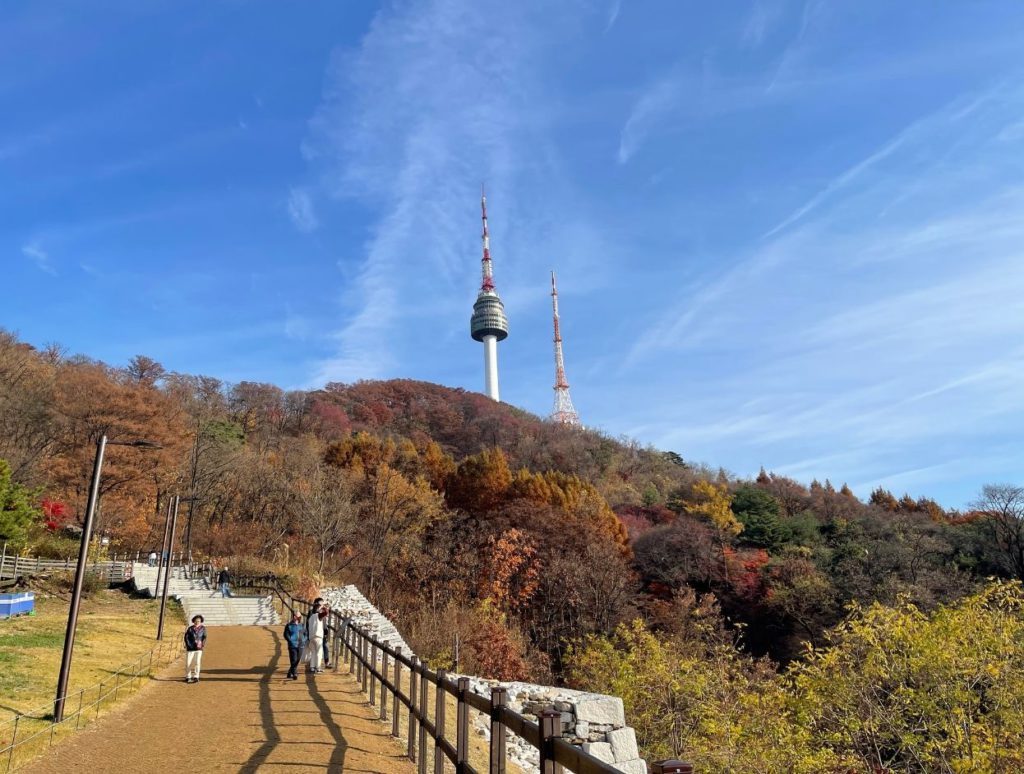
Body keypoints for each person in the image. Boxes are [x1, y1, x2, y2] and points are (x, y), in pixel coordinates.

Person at [283, 611, 307, 680]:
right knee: (293, 659)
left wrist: (304, 640)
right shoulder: (289, 625)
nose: (295, 617)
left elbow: (306, 633)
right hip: (292, 645)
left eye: (297, 616)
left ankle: (289, 672)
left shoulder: (302, 625)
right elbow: (286, 635)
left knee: (298, 659)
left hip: (301, 645)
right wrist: (290, 641)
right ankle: (295, 673)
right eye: (294, 616)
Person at [184, 614, 207, 683]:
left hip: (198, 648)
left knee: (197, 662)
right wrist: (188, 645)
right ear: (193, 621)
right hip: (190, 648)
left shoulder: (203, 628)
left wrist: (202, 644)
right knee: (188, 663)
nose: (197, 622)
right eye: (196, 621)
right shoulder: (190, 629)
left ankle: (196, 676)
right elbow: (186, 637)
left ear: (201, 622)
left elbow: (204, 637)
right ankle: (188, 676)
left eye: (199, 621)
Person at [306, 598, 325, 674]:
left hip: (311, 636)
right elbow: (326, 612)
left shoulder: (310, 615)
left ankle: (312, 667)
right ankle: (318, 667)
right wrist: (323, 607)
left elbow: (307, 625)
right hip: (318, 636)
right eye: (321, 604)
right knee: (319, 652)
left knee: (313, 652)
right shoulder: (318, 615)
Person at [321, 603, 332, 669]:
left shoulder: (323, 617)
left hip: (322, 634)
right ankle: (326, 663)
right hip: (320, 635)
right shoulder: (322, 616)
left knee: (325, 647)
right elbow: (324, 627)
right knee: (325, 647)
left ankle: (326, 662)